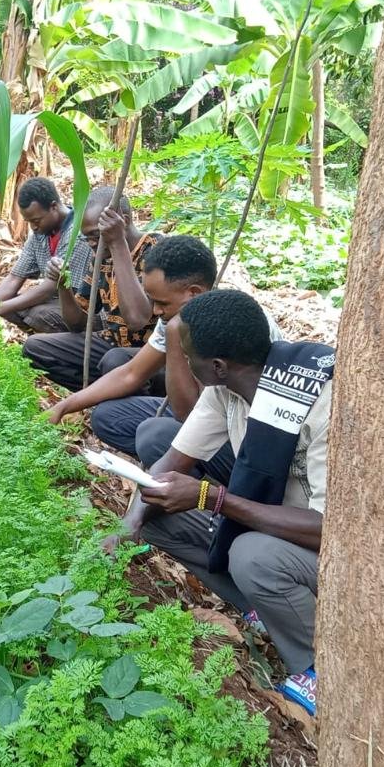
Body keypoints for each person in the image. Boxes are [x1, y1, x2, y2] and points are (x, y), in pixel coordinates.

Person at [111, 290, 333, 716]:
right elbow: (171, 460)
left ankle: (317, 666)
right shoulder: (225, 389)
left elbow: (327, 530)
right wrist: (128, 525)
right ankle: (262, 609)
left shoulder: (320, 404)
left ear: (216, 366)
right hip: (271, 521)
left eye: (187, 354)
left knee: (254, 556)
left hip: (322, 547)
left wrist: (211, 498)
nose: (186, 363)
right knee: (157, 515)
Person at [48, 235, 283, 459]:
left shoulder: (224, 327)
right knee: (108, 417)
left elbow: (189, 414)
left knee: (155, 436)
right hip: (210, 416)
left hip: (244, 434)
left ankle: (206, 486)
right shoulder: (179, 315)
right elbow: (131, 373)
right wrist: (65, 406)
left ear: (193, 293)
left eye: (162, 303)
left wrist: (174, 335)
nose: (156, 311)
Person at [21, 186, 158, 392]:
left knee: (116, 360)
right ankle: (100, 393)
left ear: (124, 222)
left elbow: (137, 320)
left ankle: (131, 403)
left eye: (97, 235)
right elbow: (76, 325)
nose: (92, 244)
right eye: (87, 238)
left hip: (151, 353)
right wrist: (63, 286)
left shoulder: (156, 251)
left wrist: (117, 243)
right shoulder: (100, 256)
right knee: (35, 347)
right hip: (113, 343)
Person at [0, 178, 93, 333]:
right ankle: (40, 341)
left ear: (53, 207)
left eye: (36, 220)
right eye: (28, 222)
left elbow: (49, 287)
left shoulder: (78, 233)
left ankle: (61, 347)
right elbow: (14, 278)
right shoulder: (40, 233)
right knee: (11, 306)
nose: (33, 227)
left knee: (38, 315)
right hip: (55, 299)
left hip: (79, 303)